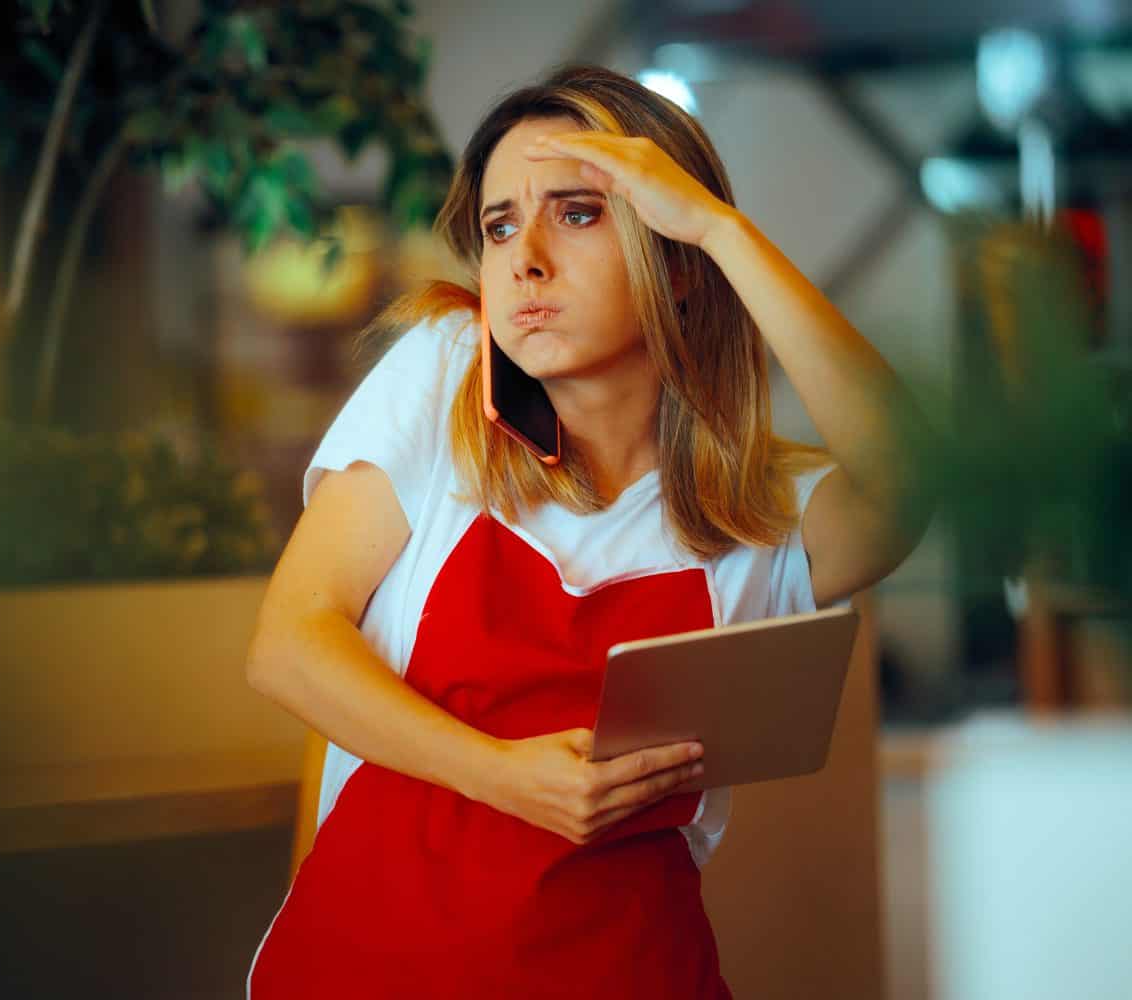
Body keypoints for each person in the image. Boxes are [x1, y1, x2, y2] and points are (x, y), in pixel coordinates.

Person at [244, 64, 931, 999]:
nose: (524, 257)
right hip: (371, 966)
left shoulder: (753, 517)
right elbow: (289, 646)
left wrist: (721, 230)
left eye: (576, 212)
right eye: (498, 225)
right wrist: (501, 774)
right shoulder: (445, 374)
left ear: (675, 263)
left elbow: (911, 484)